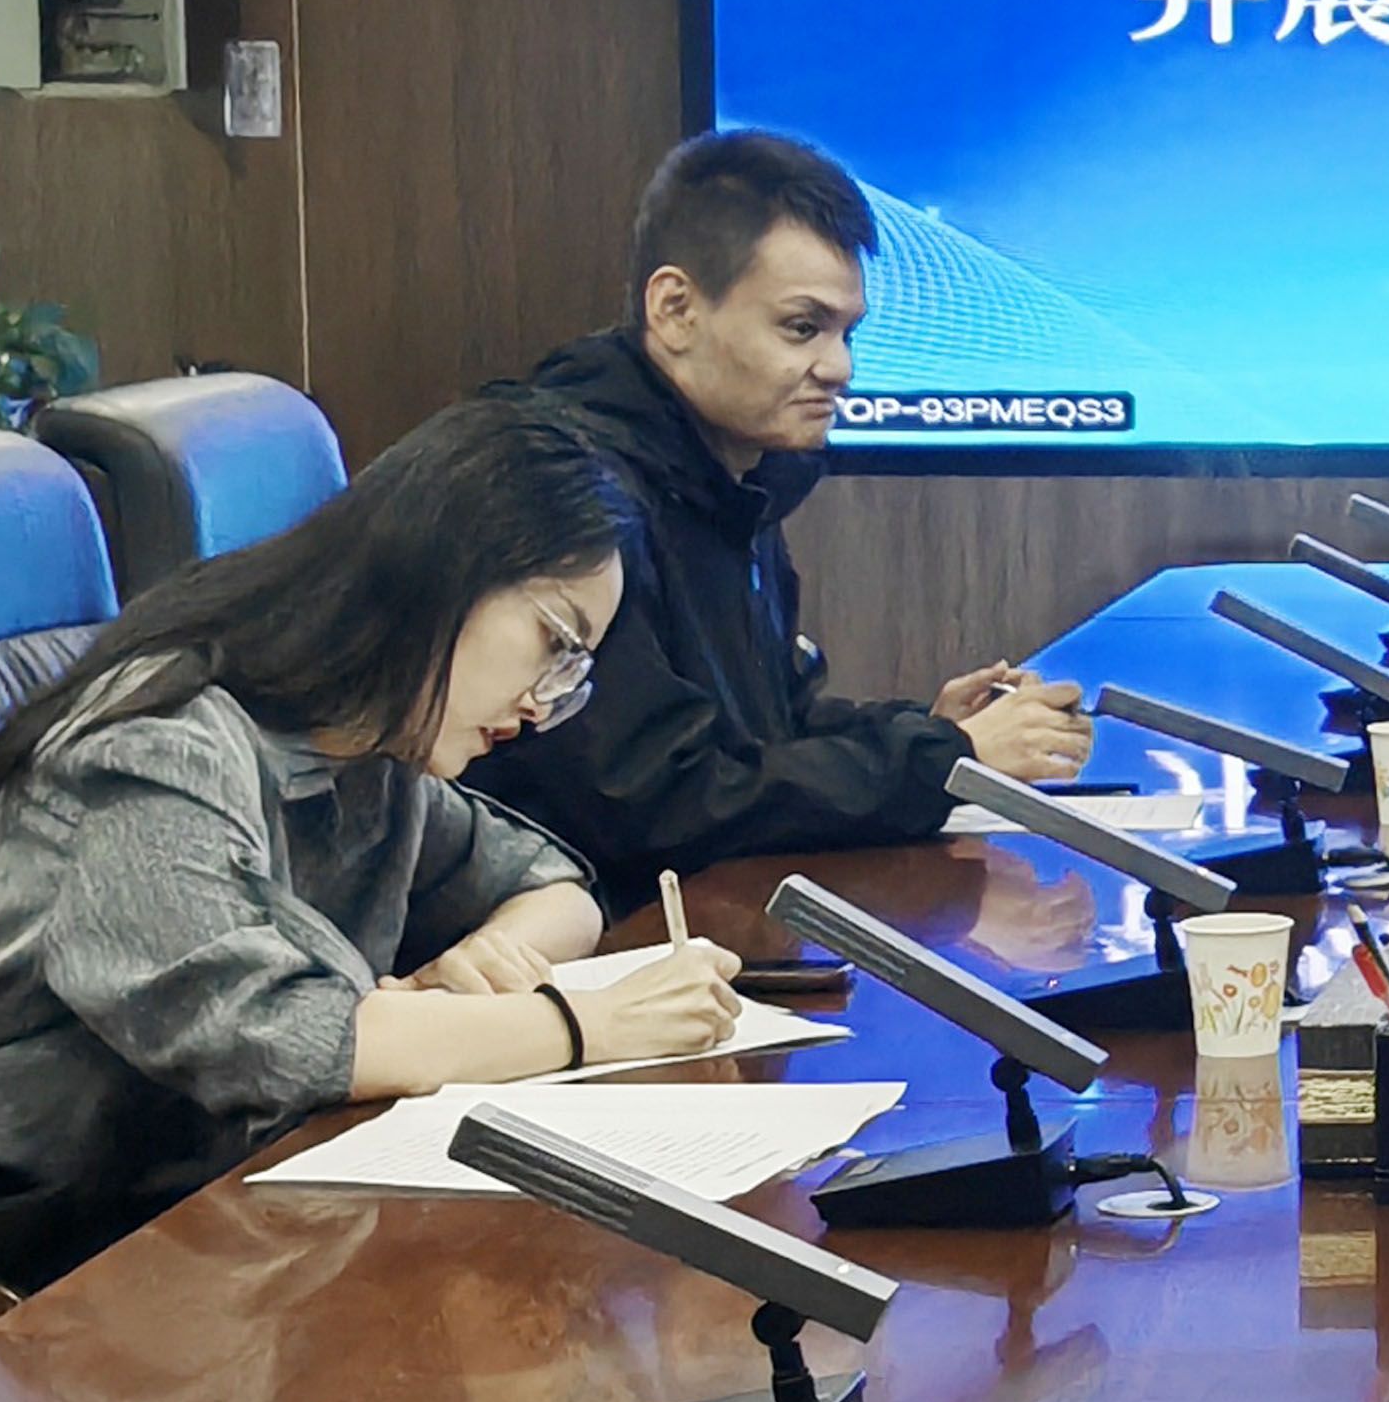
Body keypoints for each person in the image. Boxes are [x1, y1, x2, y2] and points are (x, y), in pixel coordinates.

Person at [0, 399, 747, 1298]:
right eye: (552, 643)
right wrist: (574, 1025)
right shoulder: (163, 740)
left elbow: (556, 883)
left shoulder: (369, 759)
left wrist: (489, 961)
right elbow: (267, 1036)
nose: (547, 704)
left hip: (86, 1252)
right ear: (444, 569)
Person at [468, 129, 1094, 882]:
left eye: (847, 333)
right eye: (803, 328)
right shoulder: (561, 489)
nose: (840, 368)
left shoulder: (736, 473)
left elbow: (767, 733)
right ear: (674, 309)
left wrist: (928, 731)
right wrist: (944, 761)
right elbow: (657, 804)